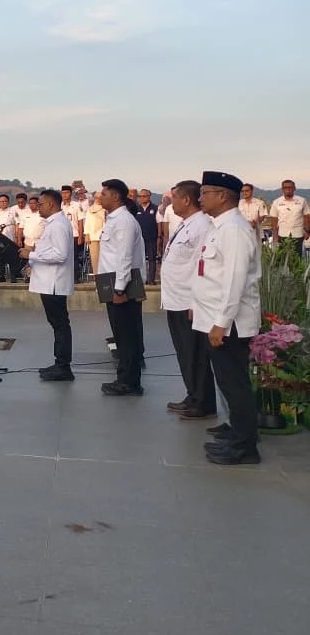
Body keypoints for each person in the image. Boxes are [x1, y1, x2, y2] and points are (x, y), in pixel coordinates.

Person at [193, 172, 262, 465]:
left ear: (222, 196)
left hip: (230, 323)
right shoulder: (219, 226)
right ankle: (237, 433)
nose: (200, 198)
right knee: (228, 382)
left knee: (235, 383)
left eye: (205, 192)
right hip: (216, 318)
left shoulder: (233, 229)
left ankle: (246, 447)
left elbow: (235, 280)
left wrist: (221, 322)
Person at [158, 180, 216, 420]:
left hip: (188, 301)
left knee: (195, 354)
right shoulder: (185, 224)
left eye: (174, 198)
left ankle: (203, 402)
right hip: (175, 299)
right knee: (185, 352)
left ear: (186, 199)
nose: (170, 203)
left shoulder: (202, 226)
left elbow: (202, 266)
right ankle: (193, 395)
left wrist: (195, 302)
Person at [19, 190, 75, 381]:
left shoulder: (58, 225)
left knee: (60, 324)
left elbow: (60, 255)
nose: (38, 207)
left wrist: (31, 255)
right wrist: (32, 262)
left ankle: (63, 366)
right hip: (48, 281)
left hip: (54, 283)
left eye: (41, 204)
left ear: (51, 204)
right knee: (57, 324)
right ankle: (59, 363)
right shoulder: (53, 223)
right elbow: (49, 250)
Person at [97, 179, 146, 396]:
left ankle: (129, 382)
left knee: (127, 336)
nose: (100, 197)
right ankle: (124, 377)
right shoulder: (113, 219)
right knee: (120, 334)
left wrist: (119, 289)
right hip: (110, 280)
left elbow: (125, 257)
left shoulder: (124, 221)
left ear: (116, 196)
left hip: (122, 283)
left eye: (104, 194)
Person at [269, 180, 309, 252]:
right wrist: (275, 235)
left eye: (290, 187)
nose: (288, 189)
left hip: (298, 234)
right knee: (283, 256)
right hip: (282, 234)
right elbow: (274, 220)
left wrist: (307, 231)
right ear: (282, 189)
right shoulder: (276, 202)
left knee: (297, 256)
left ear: (294, 188)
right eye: (285, 187)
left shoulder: (302, 201)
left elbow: (307, 216)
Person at [0, 195, 19, 283]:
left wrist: (17, 237)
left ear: (8, 202)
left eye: (5, 201)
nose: (3, 203)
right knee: (0, 257)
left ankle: (13, 276)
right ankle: (1, 276)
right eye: (1, 201)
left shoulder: (12, 211)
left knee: (12, 258)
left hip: (10, 238)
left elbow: (17, 224)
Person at [134, 189, 160, 285]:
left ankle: (151, 280)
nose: (142, 198)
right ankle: (140, 279)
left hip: (151, 238)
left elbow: (159, 223)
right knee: (139, 260)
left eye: (144, 196)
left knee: (152, 259)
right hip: (139, 239)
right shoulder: (136, 209)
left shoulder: (155, 208)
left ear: (149, 196)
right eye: (140, 196)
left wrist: (159, 236)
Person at [83, 191, 106, 278]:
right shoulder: (90, 209)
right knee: (95, 259)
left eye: (100, 198)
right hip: (93, 237)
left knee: (104, 260)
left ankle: (105, 278)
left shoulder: (106, 209)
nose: (98, 199)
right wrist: (87, 235)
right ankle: (97, 278)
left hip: (104, 237)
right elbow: (87, 223)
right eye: (97, 198)